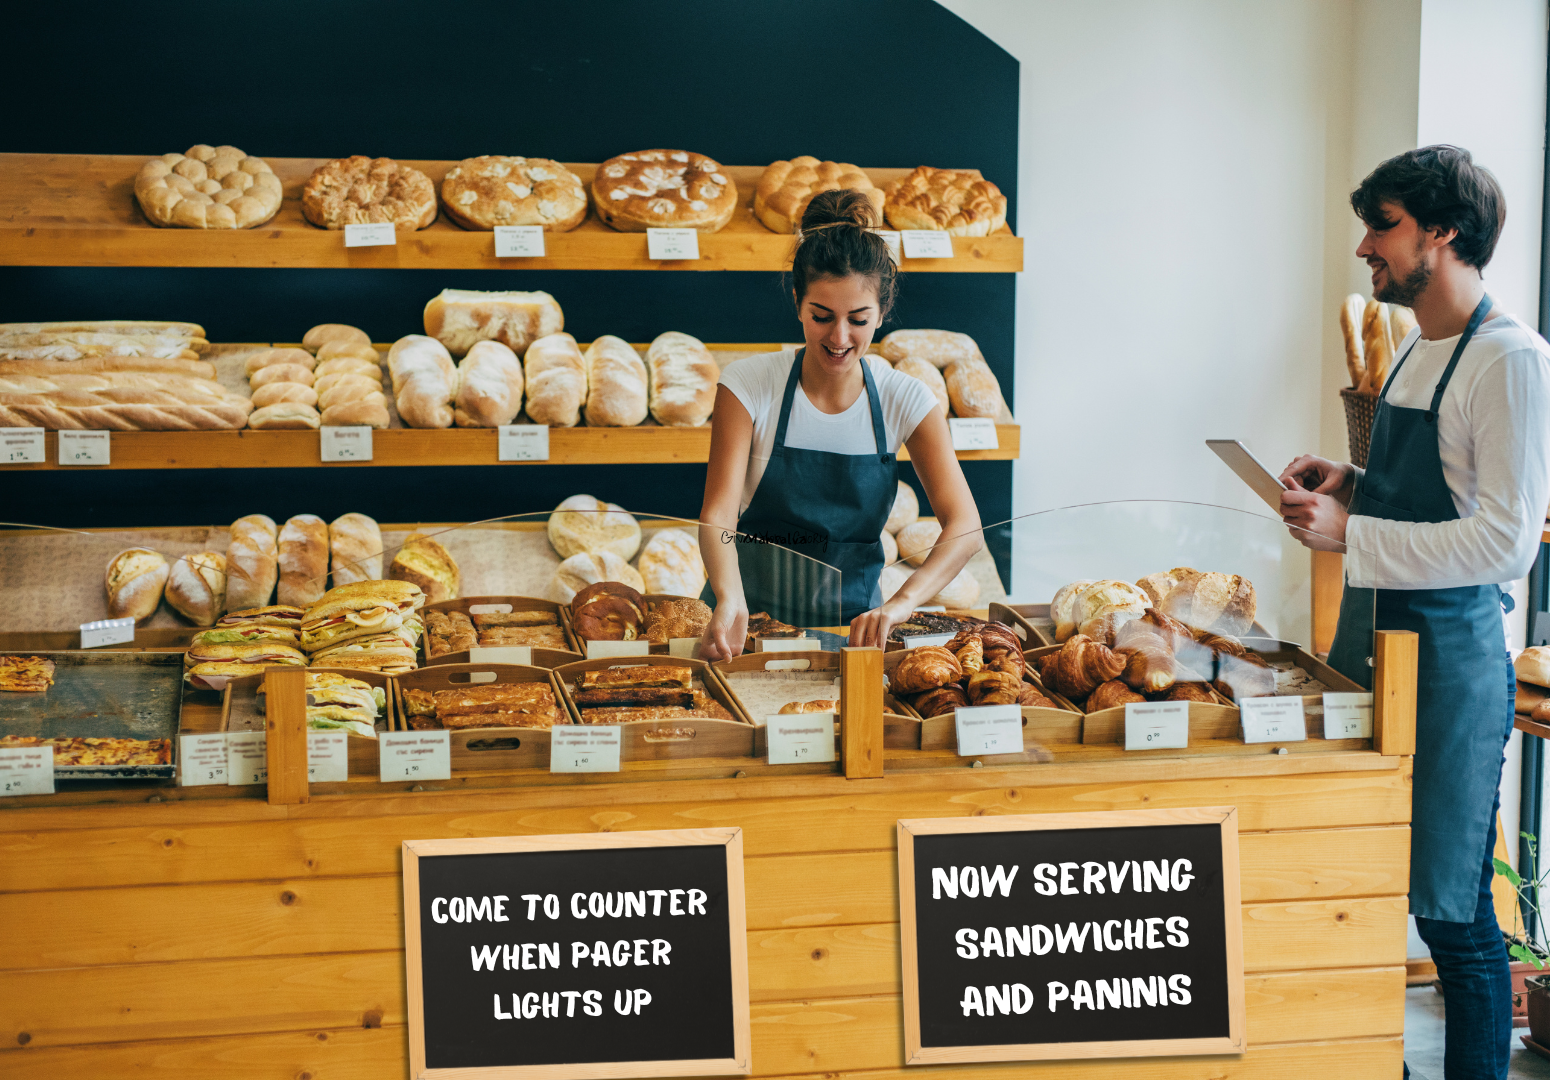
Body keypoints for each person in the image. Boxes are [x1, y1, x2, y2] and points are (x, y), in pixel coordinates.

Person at [1280, 145, 1550, 1080]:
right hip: (1376, 649)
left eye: (1383, 224)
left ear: (1444, 232)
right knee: (1360, 879)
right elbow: (1419, 496)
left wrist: (1349, 533)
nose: (1366, 246)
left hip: (1448, 666)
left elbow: (1504, 543)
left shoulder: (1512, 360)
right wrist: (1344, 480)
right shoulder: (1417, 349)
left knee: (1455, 916)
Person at [697, 189, 983, 658]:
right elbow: (719, 515)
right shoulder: (748, 384)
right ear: (796, 301)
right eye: (822, 316)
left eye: (859, 319)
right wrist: (728, 597)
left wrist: (901, 604)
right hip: (743, 627)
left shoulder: (904, 397)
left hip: (854, 632)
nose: (839, 337)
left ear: (883, 312)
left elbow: (966, 527)